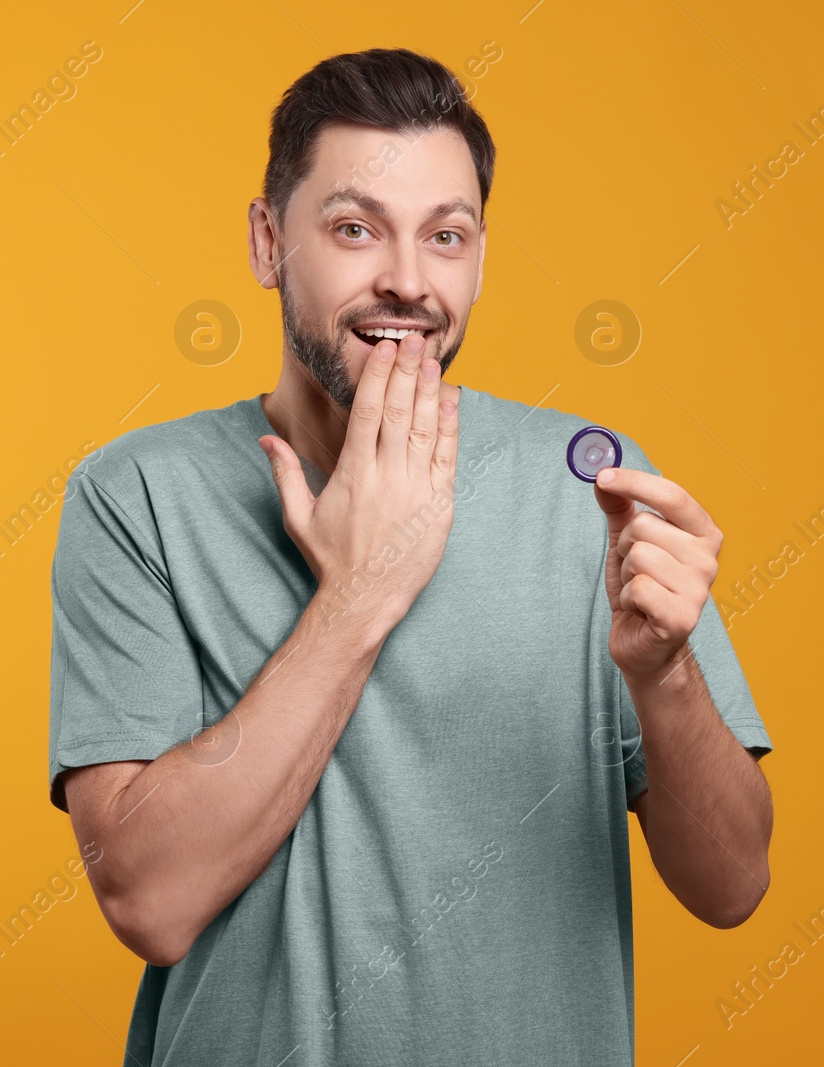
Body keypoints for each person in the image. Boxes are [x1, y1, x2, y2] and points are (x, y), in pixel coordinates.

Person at [46, 47, 774, 1066]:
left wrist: (663, 673)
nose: (406, 280)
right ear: (268, 240)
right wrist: (361, 591)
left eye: (446, 235)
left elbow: (732, 883)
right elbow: (148, 897)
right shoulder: (140, 496)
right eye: (354, 229)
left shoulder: (589, 491)